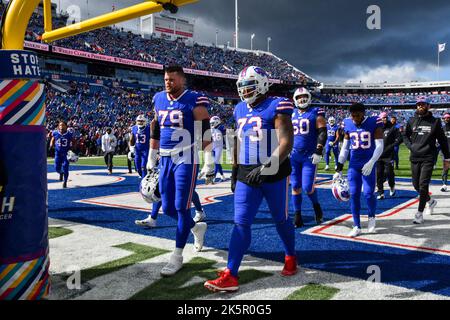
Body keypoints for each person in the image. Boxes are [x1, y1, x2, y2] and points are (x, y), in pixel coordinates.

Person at [204, 66, 297, 292]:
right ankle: (231, 273)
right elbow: (236, 141)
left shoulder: (277, 105)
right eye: (243, 87)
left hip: (274, 171)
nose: (245, 91)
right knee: (241, 222)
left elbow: (286, 143)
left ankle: (290, 256)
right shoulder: (238, 109)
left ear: (263, 84)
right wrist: (235, 171)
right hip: (247, 172)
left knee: (281, 219)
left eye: (250, 86)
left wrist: (266, 167)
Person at [147, 64, 213, 276]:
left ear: (182, 80)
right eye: (166, 79)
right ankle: (195, 228)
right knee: (167, 209)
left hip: (186, 156)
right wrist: (152, 154)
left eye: (172, 79)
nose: (168, 82)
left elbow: (204, 129)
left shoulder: (194, 98)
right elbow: (156, 126)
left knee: (182, 207)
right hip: (165, 159)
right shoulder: (158, 98)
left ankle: (176, 256)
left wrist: (209, 158)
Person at [334, 103, 384, 237]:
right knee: (354, 194)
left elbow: (380, 145)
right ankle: (356, 225)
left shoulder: (374, 121)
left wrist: (372, 161)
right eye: (353, 115)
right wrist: (339, 167)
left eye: (357, 115)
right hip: (354, 165)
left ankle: (372, 216)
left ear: (363, 113)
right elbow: (345, 148)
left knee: (368, 193)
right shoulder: (347, 123)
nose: (355, 118)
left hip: (368, 163)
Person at [403, 98, 450, 223]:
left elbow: (443, 140)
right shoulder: (411, 120)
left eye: (423, 104)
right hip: (414, 157)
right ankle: (431, 201)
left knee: (423, 185)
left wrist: (447, 157)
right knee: (416, 186)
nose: (420, 106)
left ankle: (419, 213)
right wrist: (410, 146)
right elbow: (405, 135)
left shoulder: (435, 122)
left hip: (428, 157)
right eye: (418, 104)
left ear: (428, 106)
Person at [290, 87, 326, 228]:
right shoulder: (291, 113)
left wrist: (319, 150)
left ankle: (316, 206)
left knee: (307, 186)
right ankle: (297, 215)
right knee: (295, 185)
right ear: (295, 99)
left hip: (309, 156)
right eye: (299, 97)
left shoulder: (315, 112)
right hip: (293, 156)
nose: (302, 99)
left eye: (304, 96)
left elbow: (322, 132)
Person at [376, 112, 402, 200]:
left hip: (389, 155)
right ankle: (381, 192)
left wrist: (392, 146)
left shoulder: (392, 128)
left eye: (386, 117)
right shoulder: (376, 128)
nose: (385, 119)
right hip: (378, 155)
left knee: (389, 173)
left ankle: (392, 186)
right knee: (379, 174)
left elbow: (400, 138)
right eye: (383, 118)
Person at [199, 115, 226, 183]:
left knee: (216, 162)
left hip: (218, 147)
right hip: (213, 146)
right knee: (216, 162)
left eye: (213, 123)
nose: (211, 124)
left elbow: (225, 135)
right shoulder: (211, 128)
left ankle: (214, 177)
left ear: (217, 122)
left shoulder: (221, 127)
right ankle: (222, 176)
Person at [50, 121, 74, 188]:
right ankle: (61, 173)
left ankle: (65, 181)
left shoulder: (69, 134)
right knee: (56, 168)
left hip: (66, 154)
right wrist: (51, 143)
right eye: (60, 125)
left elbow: (73, 141)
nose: (61, 127)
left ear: (66, 126)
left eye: (63, 125)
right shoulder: (55, 133)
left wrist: (73, 149)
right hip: (58, 153)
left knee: (65, 167)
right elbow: (53, 138)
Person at [441, 113, 450, 192]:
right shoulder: (442, 129)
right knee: (445, 169)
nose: (446, 119)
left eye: (448, 118)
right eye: (445, 118)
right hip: (445, 152)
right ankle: (444, 185)